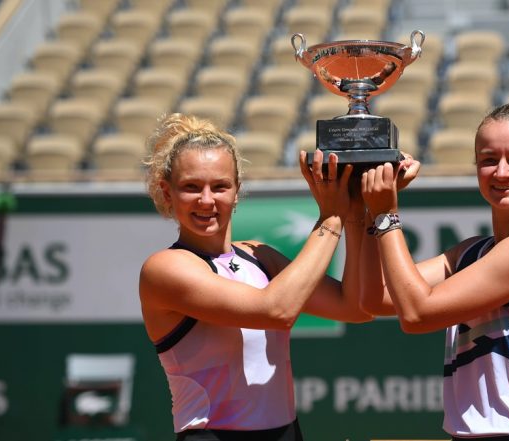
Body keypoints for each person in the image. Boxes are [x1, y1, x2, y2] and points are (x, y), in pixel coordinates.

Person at [138, 113, 372, 441]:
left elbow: (354, 307)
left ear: (237, 191)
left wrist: (357, 211)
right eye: (191, 187)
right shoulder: (165, 268)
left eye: (220, 186)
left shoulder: (260, 255)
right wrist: (331, 220)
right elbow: (276, 311)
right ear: (167, 191)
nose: (207, 200)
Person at [358, 103, 509, 440]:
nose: (501, 172)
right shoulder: (472, 251)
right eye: (489, 159)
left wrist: (386, 214)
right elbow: (377, 298)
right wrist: (364, 211)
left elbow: (417, 314)